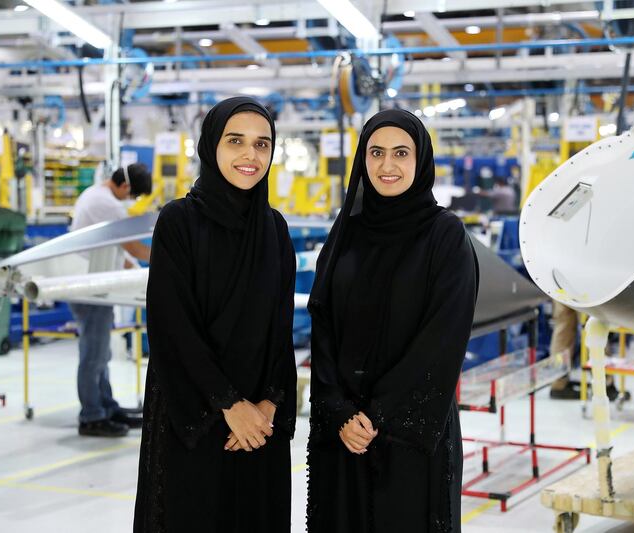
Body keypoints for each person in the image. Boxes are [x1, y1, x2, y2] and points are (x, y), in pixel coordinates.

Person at [306, 109, 479, 533]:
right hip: (343, 432)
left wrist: (378, 416)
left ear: (420, 161)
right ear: (361, 160)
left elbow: (442, 339)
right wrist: (341, 411)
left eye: (401, 153)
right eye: (376, 153)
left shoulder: (445, 236)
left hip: (410, 436)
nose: (387, 165)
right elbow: (322, 324)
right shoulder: (346, 233)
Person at [134, 97, 297, 533]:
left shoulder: (275, 229)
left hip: (260, 422)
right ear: (211, 146)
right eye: (236, 141)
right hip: (195, 413)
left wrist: (268, 403)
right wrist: (229, 405)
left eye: (262, 144)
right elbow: (172, 327)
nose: (251, 155)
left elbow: (281, 328)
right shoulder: (179, 222)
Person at [70, 163, 152, 437]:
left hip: (93, 281)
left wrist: (139, 274)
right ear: (126, 187)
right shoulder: (109, 206)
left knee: (100, 353)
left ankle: (106, 406)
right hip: (89, 285)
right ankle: (91, 416)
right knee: (94, 354)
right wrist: (169, 256)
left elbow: (119, 249)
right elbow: (134, 247)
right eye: (133, 196)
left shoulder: (94, 195)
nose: (131, 201)